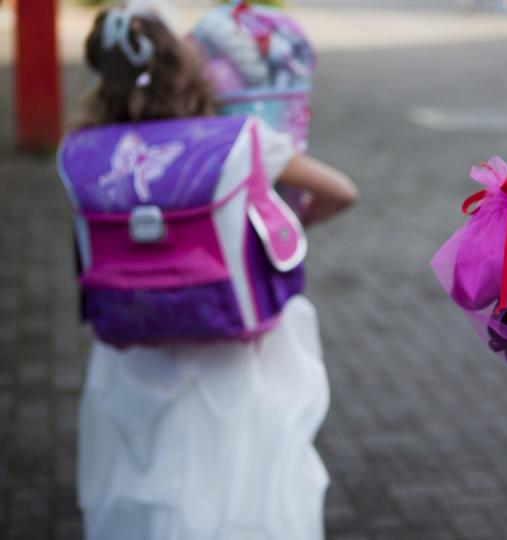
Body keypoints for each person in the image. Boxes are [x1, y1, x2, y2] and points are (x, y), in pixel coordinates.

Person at [65, 6, 356, 539]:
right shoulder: (238, 140)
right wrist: (288, 221)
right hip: (234, 345)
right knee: (241, 476)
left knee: (145, 471)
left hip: (132, 344)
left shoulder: (82, 151)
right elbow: (341, 191)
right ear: (186, 68)